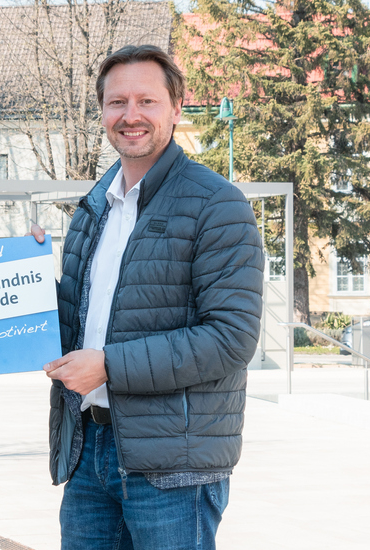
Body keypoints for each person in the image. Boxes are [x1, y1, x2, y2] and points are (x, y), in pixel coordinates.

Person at [31, 45, 264, 549]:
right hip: (88, 448)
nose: (130, 116)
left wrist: (110, 366)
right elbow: (79, 323)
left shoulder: (217, 205)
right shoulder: (95, 206)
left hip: (172, 468)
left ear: (176, 108)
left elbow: (230, 338)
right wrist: (21, 281)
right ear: (102, 112)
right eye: (117, 103)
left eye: (146, 101)